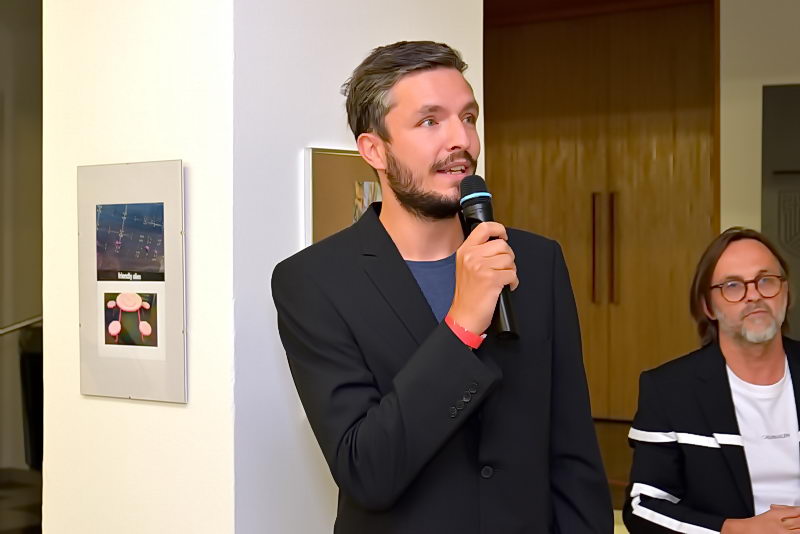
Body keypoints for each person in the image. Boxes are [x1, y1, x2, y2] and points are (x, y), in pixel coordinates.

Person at [272, 40, 612, 533]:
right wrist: (462, 325)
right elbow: (366, 470)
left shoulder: (536, 260)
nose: (462, 139)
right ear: (374, 149)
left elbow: (573, 452)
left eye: (468, 117)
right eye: (430, 121)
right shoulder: (314, 281)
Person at [624, 227, 800, 533]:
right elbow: (643, 509)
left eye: (766, 280)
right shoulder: (669, 390)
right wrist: (734, 530)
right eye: (733, 285)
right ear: (708, 306)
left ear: (786, 292)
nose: (754, 295)